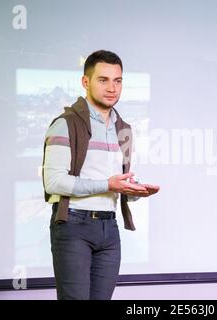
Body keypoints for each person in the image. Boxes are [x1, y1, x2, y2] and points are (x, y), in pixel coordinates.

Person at [42, 50, 160, 300]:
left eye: (117, 81)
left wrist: (134, 191)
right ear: (86, 82)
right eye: (103, 80)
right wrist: (108, 184)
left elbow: (114, 182)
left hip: (109, 227)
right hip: (72, 225)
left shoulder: (124, 129)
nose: (112, 88)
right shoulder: (65, 124)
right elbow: (53, 182)